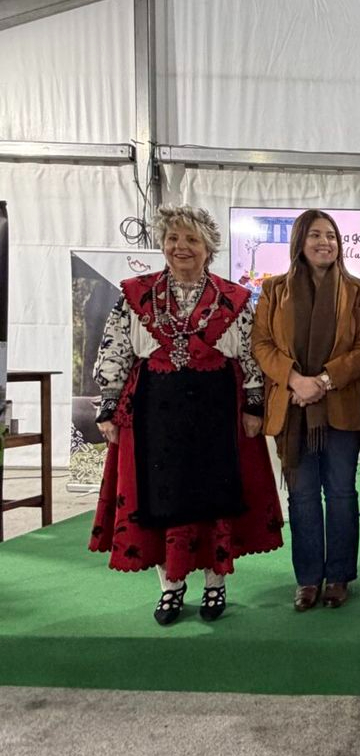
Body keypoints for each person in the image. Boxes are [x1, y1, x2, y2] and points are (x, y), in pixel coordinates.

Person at [89, 204, 283, 624]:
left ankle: (216, 584)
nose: (182, 247)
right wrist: (108, 405)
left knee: (216, 495)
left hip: (217, 413)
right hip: (155, 413)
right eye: (174, 238)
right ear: (161, 243)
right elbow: (117, 349)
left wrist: (253, 405)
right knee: (161, 497)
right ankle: (170, 587)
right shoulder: (136, 294)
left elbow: (251, 355)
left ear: (208, 247)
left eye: (192, 240)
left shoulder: (233, 299)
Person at [252, 209, 360, 612]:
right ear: (299, 242)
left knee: (341, 492)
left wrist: (321, 381)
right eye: (316, 235)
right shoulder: (274, 290)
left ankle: (339, 576)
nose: (325, 243)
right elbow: (261, 344)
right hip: (291, 409)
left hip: (338, 407)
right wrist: (294, 380)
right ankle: (308, 579)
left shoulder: (359, 291)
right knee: (303, 496)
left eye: (332, 236)